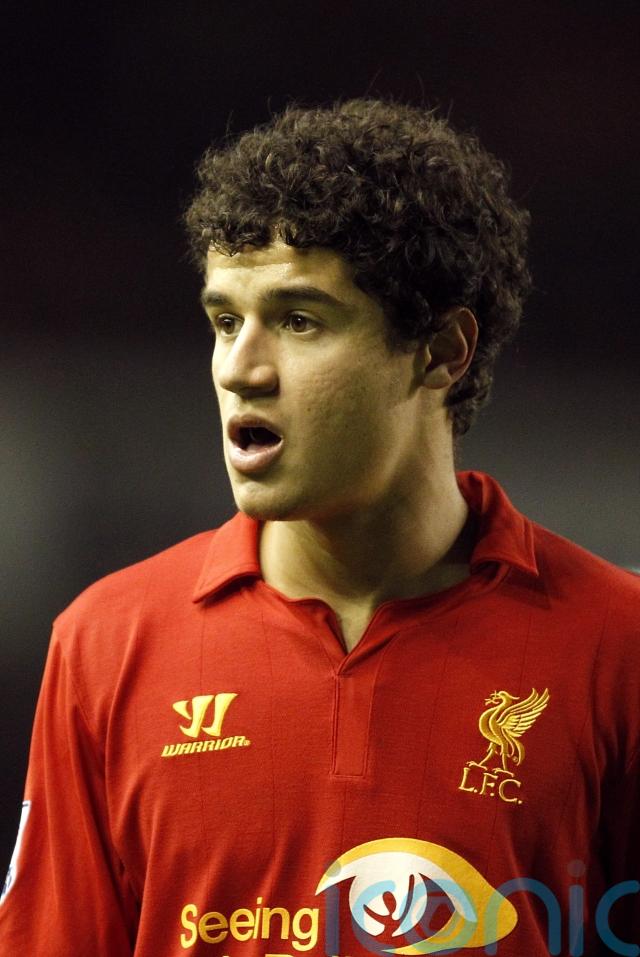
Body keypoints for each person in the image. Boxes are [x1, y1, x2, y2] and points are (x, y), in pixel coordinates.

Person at [0, 98, 637, 956]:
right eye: (226, 321)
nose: (241, 368)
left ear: (442, 350)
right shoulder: (106, 646)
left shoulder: (618, 647)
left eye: (299, 321)